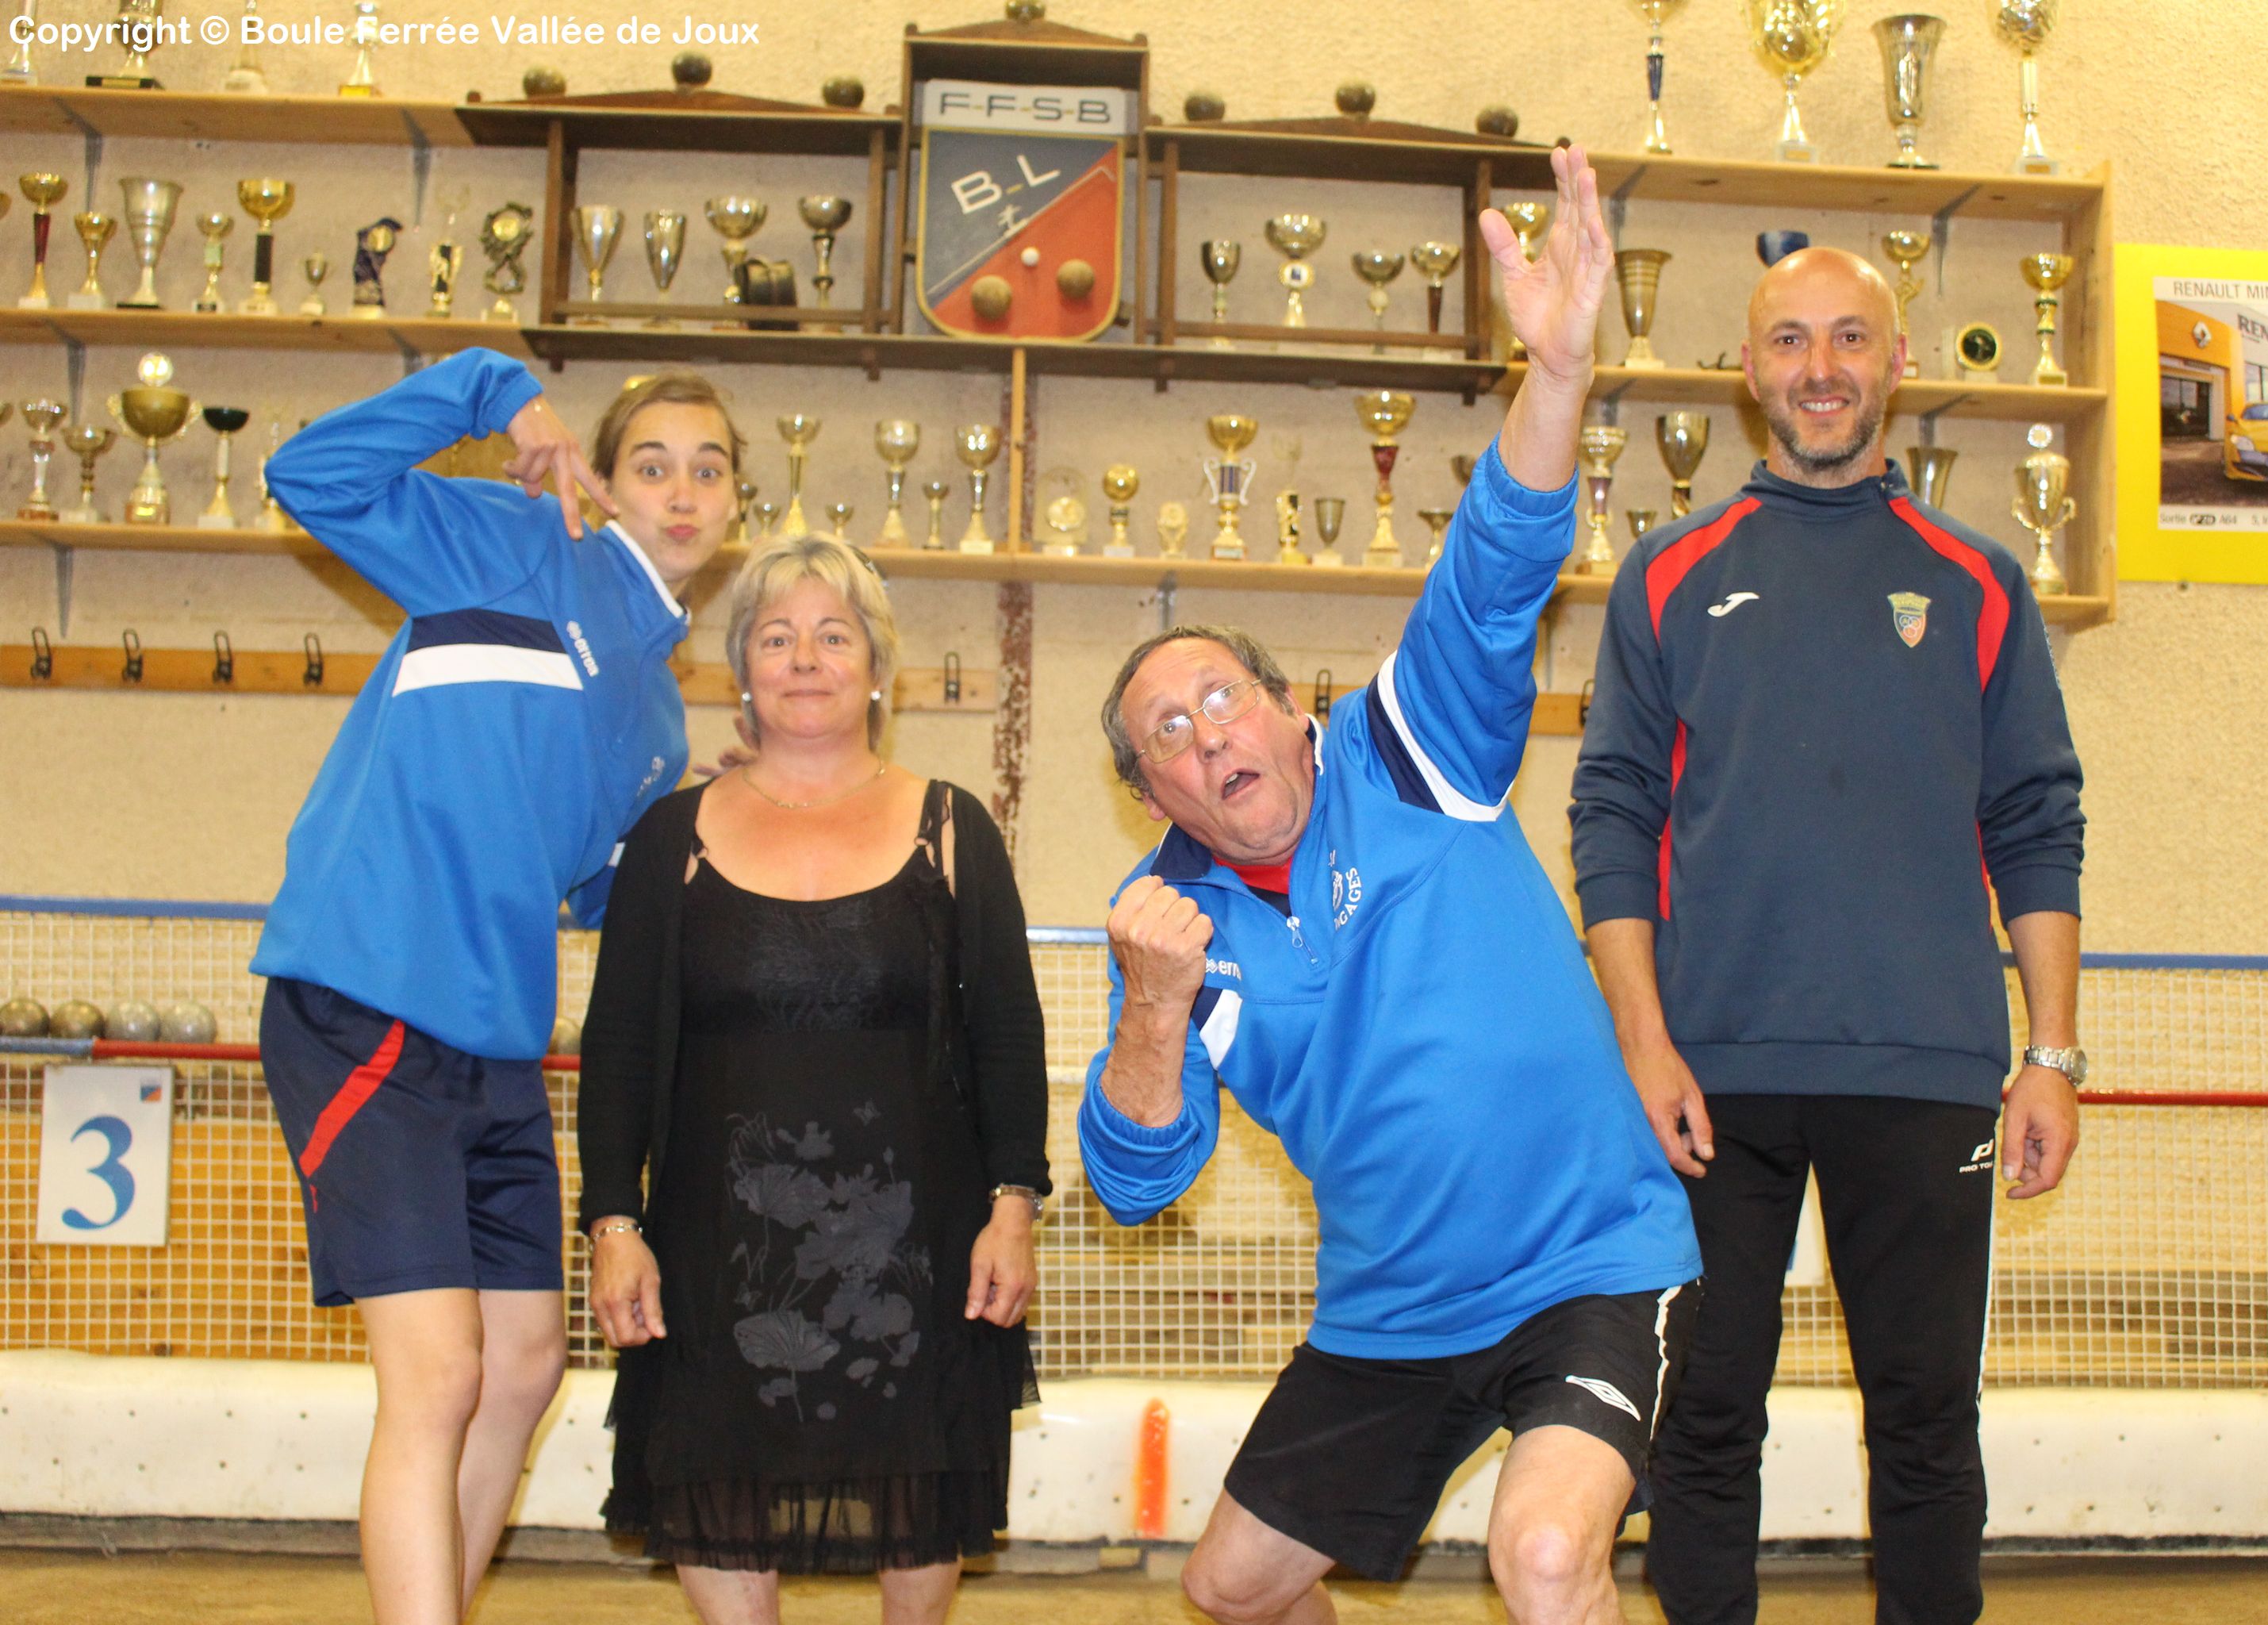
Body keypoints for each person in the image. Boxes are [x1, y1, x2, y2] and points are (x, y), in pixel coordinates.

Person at [1077, 145, 1702, 1625]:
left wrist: (1557, 372)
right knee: (1232, 1589)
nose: (1205, 736)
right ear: (1152, 794)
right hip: (1394, 1310)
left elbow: (1493, 568)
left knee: (1541, 1556)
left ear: (1293, 713)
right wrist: (1153, 1014)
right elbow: (1134, 1181)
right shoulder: (1167, 933)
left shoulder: (1411, 752)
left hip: (1589, 1263)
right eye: (1166, 736)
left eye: (1221, 699)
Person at [1570, 246, 2088, 1625]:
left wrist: (2051, 1056)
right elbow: (1613, 814)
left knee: (1927, 1419)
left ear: (1896, 364)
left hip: (1926, 1070)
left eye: (1851, 337)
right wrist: (1645, 1045)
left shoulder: (1978, 581)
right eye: (1791, 340)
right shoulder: (1667, 574)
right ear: (1749, 371)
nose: (1821, 369)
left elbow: (2037, 820)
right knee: (1702, 1417)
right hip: (1710, 1076)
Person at [251, 351, 741, 1624]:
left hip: (496, 1048)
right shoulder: (515, 546)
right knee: (439, 1376)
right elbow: (308, 475)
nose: (683, 491)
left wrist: (710, 828)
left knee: (521, 1369)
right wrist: (486, 387)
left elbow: (590, 894)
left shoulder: (659, 719)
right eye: (653, 465)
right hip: (367, 1002)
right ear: (603, 480)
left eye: (709, 469)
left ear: (737, 504)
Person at [578, 532, 1050, 1625]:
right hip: (713, 1255)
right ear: (742, 668)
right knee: (715, 1482)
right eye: (777, 637)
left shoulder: (952, 829)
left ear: (878, 668)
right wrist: (612, 1223)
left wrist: (1012, 1207)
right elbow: (619, 1049)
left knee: (919, 1484)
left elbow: (1008, 1036)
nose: (805, 659)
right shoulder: (670, 838)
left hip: (916, 1252)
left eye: (834, 636)